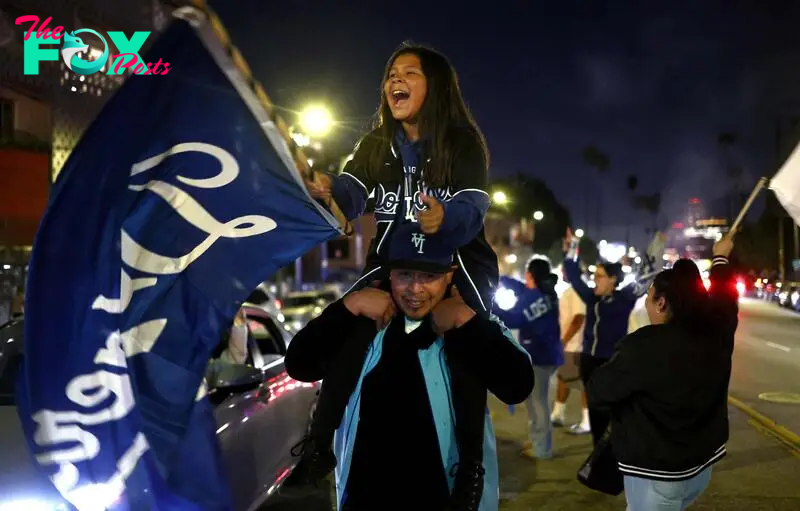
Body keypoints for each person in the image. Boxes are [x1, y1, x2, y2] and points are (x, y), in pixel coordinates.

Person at [297, 42, 500, 496]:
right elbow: (351, 193)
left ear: (438, 87)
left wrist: (445, 219)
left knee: (464, 338)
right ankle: (318, 442)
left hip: (457, 263)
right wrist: (327, 187)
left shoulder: (462, 142)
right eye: (391, 73)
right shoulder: (374, 144)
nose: (395, 80)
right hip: (394, 261)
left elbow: (473, 205)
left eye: (409, 73)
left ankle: (469, 467)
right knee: (354, 325)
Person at [284, 242, 534, 510]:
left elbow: (517, 386)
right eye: (405, 275)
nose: (415, 289)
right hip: (364, 496)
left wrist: (468, 324)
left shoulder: (471, 322)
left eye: (429, 276)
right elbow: (300, 365)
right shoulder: (362, 323)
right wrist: (347, 306)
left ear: (450, 274)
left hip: (447, 497)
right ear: (390, 273)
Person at [586, 233, 738, 511]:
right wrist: (720, 259)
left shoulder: (643, 346)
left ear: (662, 302)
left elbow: (598, 392)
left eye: (649, 295)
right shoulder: (718, 330)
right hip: (700, 468)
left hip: (656, 473)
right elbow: (726, 297)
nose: (645, 301)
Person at [561, 228, 648, 445]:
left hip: (613, 362)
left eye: (599, 277)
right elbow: (572, 274)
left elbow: (647, 277)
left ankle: (619, 455)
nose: (595, 280)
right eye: (594, 276)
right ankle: (598, 454)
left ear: (612, 280)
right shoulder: (591, 298)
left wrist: (654, 252)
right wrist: (572, 247)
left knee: (616, 411)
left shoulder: (625, 298)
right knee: (596, 413)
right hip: (590, 361)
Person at [494, 257, 562, 460]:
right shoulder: (543, 293)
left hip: (540, 356)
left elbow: (513, 319)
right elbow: (518, 287)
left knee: (538, 402)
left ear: (530, 275)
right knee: (534, 401)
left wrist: (493, 305)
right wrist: (498, 277)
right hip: (545, 354)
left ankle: (542, 448)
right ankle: (536, 440)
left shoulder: (534, 298)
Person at [550, 265, 589, 434]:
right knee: (563, 378)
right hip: (570, 344)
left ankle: (587, 421)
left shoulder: (577, 292)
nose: (563, 273)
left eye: (565, 270)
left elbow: (579, 317)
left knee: (583, 384)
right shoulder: (571, 290)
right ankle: (558, 414)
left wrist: (564, 340)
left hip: (574, 345)